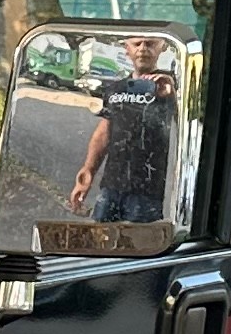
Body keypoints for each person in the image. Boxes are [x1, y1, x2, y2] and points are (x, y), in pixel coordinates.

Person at [72, 33, 181, 226]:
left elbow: (185, 123)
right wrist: (88, 170)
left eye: (150, 44)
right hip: (111, 186)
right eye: (137, 43)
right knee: (101, 241)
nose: (143, 49)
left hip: (147, 192)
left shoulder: (168, 88)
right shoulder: (116, 89)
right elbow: (104, 132)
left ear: (162, 47)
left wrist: (172, 95)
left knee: (137, 246)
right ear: (127, 49)